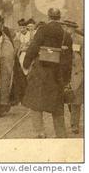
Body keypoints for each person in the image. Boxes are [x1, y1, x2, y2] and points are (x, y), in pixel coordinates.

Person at [22, 8, 73, 138]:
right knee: (57, 107)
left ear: (48, 17)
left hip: (41, 73)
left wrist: (26, 64)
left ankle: (40, 132)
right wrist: (66, 80)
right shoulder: (65, 35)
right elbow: (68, 60)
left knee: (36, 104)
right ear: (59, 17)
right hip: (57, 75)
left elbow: (33, 49)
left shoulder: (42, 30)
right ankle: (61, 134)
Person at [61, 20, 83, 134]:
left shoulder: (80, 40)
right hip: (65, 73)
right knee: (69, 98)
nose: (66, 29)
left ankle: (74, 125)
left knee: (76, 101)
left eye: (68, 27)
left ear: (73, 28)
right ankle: (73, 122)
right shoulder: (63, 39)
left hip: (77, 73)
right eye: (65, 27)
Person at [11, 18, 30, 105]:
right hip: (20, 57)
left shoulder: (31, 35)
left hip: (29, 57)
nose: (22, 30)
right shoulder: (17, 36)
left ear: (26, 28)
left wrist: (27, 48)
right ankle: (21, 97)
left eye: (24, 28)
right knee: (20, 77)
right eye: (20, 28)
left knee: (28, 76)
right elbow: (15, 48)